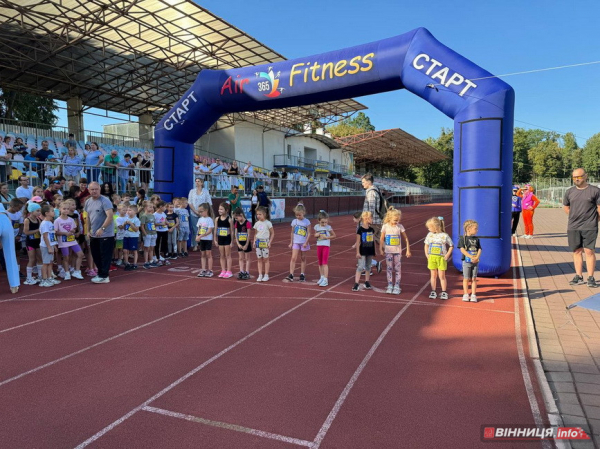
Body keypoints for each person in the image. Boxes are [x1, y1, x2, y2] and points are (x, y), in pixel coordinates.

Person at [563, 168, 600, 288]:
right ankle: (578, 276)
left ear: (585, 176)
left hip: (589, 226)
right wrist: (574, 217)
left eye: (578, 176)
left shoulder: (595, 191)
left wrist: (594, 220)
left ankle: (591, 277)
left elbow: (599, 208)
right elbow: (566, 207)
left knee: (589, 251)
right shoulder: (569, 192)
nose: (576, 179)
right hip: (573, 226)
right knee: (577, 251)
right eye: (574, 177)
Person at [84, 181, 114, 283]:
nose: (94, 191)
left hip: (106, 234)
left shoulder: (105, 200)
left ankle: (104, 275)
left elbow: (110, 216)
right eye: (92, 189)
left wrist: (103, 228)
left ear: (100, 189)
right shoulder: (88, 202)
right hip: (93, 234)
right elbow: (88, 217)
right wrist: (88, 230)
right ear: (88, 190)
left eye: (96, 189)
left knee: (105, 255)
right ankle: (100, 273)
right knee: (95, 255)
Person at [380, 207, 411, 295]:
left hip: (397, 252)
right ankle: (390, 285)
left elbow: (406, 238)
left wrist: (408, 250)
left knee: (398, 269)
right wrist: (381, 249)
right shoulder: (385, 226)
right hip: (388, 251)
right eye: (395, 220)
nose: (396, 222)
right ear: (389, 218)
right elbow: (382, 239)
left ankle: (397, 285)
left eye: (398, 220)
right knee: (389, 268)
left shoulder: (400, 227)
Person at [424, 216, 453, 300]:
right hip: (432, 257)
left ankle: (444, 292)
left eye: (429, 228)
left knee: (442, 276)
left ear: (435, 227)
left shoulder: (444, 235)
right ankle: (433, 291)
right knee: (433, 275)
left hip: (441, 258)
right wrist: (427, 254)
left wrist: (447, 255)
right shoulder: (429, 235)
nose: (428, 229)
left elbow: (451, 245)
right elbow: (426, 245)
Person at [54, 201, 84, 280]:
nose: (66, 210)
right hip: (63, 242)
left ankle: (77, 271)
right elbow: (55, 232)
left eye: (67, 209)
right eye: (64, 209)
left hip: (72, 240)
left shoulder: (71, 219)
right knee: (66, 257)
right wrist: (64, 233)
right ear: (60, 209)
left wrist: (73, 231)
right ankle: (67, 273)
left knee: (80, 254)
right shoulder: (57, 220)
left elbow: (74, 228)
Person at [361, 173, 383, 273]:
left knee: (365, 244)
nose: (363, 184)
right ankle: (393, 257)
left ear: (369, 182)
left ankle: (368, 266)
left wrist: (367, 223)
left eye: (364, 182)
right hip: (377, 222)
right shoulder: (375, 190)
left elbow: (371, 210)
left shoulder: (371, 193)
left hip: (373, 223)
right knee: (379, 242)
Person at [286, 204, 311, 282]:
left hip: (303, 242)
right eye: (296, 215)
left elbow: (309, 233)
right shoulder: (294, 221)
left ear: (303, 213)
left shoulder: (307, 221)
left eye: (299, 215)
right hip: (296, 242)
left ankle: (302, 274)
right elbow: (292, 232)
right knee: (293, 258)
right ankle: (291, 274)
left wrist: (306, 242)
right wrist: (291, 242)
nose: (298, 217)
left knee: (303, 258)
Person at [458, 219, 482, 302]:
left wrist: (477, 257)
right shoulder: (463, 239)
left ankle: (473, 294)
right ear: (468, 229)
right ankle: (465, 294)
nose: (477, 230)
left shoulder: (476, 239)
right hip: (467, 261)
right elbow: (462, 249)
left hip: (475, 262)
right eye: (475, 228)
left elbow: (479, 249)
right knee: (466, 278)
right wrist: (470, 256)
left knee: (474, 278)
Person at [38, 204, 61, 288]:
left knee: (50, 263)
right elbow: (45, 236)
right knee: (45, 263)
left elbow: (51, 235)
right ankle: (44, 279)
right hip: (46, 246)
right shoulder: (44, 224)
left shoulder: (50, 222)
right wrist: (49, 247)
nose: (54, 212)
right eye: (52, 211)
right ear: (47, 213)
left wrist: (54, 245)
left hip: (50, 245)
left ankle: (49, 277)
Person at [353, 211, 376, 291]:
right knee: (360, 266)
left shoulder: (371, 230)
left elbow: (373, 241)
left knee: (368, 266)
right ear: (366, 219)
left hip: (370, 250)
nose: (372, 219)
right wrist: (357, 252)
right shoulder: (360, 230)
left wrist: (374, 251)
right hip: (362, 251)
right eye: (371, 218)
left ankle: (367, 281)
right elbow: (358, 242)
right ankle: (356, 283)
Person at [188, 177, 212, 251]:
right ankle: (195, 245)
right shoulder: (192, 191)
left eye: (198, 181)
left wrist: (205, 212)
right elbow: (190, 202)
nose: (197, 182)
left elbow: (209, 202)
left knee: (204, 229)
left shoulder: (205, 191)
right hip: (194, 212)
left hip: (203, 214)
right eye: (196, 181)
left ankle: (202, 244)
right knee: (195, 229)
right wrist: (195, 211)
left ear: (202, 183)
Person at [314, 210, 335, 287]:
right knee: (320, 263)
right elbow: (315, 235)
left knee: (324, 263)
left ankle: (326, 279)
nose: (324, 224)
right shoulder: (316, 226)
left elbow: (334, 235)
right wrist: (317, 234)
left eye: (326, 222)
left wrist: (327, 237)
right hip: (319, 245)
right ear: (319, 220)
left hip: (326, 246)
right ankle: (322, 276)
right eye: (322, 222)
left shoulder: (328, 227)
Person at [23, 202, 43, 285]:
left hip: (37, 241)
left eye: (39, 211)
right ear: (31, 211)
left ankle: (40, 275)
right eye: (37, 211)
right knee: (32, 259)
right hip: (30, 242)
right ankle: (29, 277)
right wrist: (37, 230)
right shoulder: (27, 220)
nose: (39, 212)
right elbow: (26, 232)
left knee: (39, 258)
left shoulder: (38, 219)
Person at [253, 205, 274, 282]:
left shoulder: (268, 223)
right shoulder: (256, 224)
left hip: (265, 242)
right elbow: (255, 234)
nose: (258, 216)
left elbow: (272, 233)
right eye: (257, 214)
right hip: (258, 242)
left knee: (266, 259)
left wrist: (270, 242)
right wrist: (254, 241)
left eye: (260, 214)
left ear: (264, 214)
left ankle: (266, 274)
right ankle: (260, 275)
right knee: (259, 259)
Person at [214, 202, 234, 278]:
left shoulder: (229, 220)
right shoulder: (217, 219)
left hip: (227, 239)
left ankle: (229, 271)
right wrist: (215, 240)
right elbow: (215, 230)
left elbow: (232, 231)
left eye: (221, 209)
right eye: (219, 209)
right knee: (221, 255)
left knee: (228, 255)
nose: (219, 210)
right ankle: (223, 270)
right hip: (220, 239)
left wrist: (232, 241)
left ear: (226, 210)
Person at [195, 202, 215, 278]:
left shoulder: (209, 219)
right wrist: (197, 236)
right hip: (202, 239)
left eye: (201, 211)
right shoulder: (200, 219)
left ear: (206, 210)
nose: (200, 213)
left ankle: (210, 270)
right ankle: (203, 269)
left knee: (208, 254)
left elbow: (209, 231)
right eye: (199, 211)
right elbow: (198, 229)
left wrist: (201, 236)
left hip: (208, 239)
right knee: (202, 255)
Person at [233, 207, 252, 280]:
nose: (236, 219)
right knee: (240, 258)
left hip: (246, 243)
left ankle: (247, 272)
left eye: (236, 218)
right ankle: (241, 271)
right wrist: (238, 243)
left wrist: (246, 244)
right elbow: (236, 234)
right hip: (240, 243)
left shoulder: (247, 223)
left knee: (247, 258)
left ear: (241, 215)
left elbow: (249, 235)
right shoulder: (237, 223)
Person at [122, 204, 141, 271]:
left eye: (130, 210)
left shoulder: (136, 220)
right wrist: (124, 224)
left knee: (134, 250)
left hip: (133, 237)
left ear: (135, 211)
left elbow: (136, 229)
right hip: (126, 236)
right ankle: (127, 263)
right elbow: (123, 228)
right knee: (125, 250)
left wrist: (130, 223)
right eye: (127, 210)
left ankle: (135, 264)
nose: (128, 211)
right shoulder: (126, 218)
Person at [140, 201, 158, 269]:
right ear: (145, 208)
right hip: (147, 234)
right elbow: (142, 226)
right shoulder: (144, 216)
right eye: (150, 207)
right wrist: (145, 234)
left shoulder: (153, 215)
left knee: (151, 248)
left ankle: (151, 261)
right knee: (147, 248)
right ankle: (146, 262)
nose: (152, 208)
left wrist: (155, 232)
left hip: (153, 234)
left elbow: (154, 224)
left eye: (152, 207)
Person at [154, 200, 170, 265]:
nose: (165, 208)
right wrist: (161, 224)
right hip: (158, 231)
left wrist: (167, 222)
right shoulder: (155, 214)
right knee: (158, 245)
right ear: (161, 207)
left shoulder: (163, 214)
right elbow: (154, 223)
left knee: (165, 244)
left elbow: (165, 220)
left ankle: (165, 258)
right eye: (165, 207)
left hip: (164, 230)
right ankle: (158, 258)